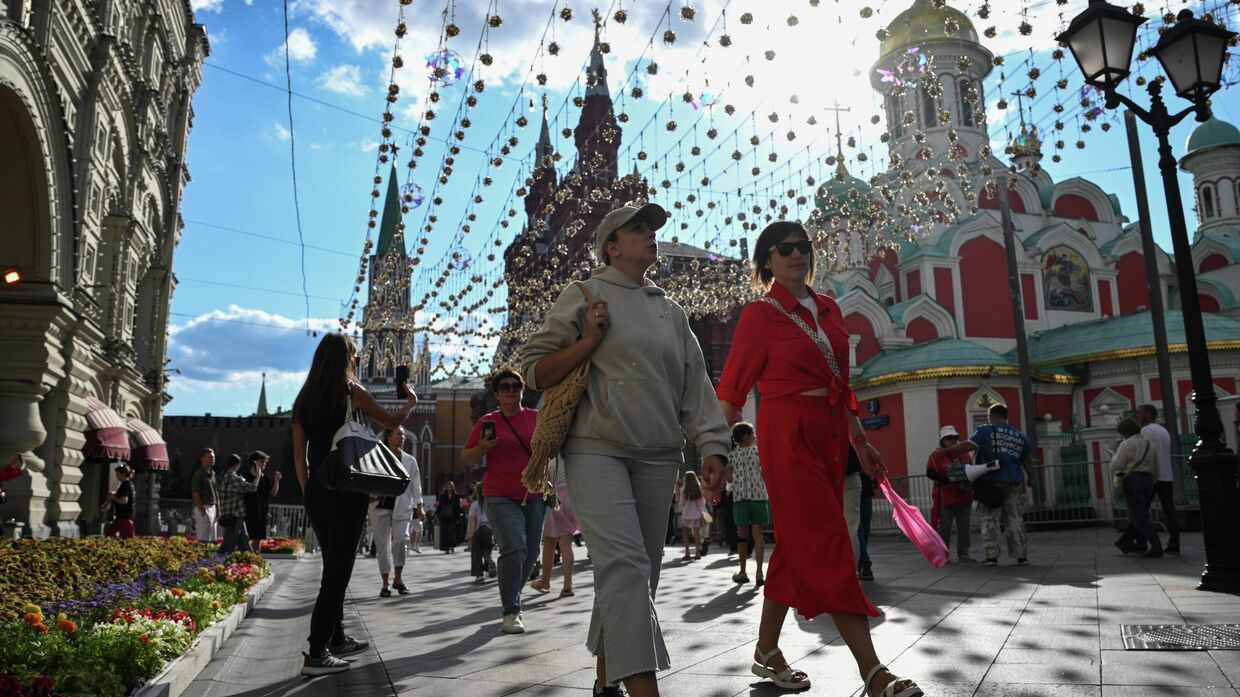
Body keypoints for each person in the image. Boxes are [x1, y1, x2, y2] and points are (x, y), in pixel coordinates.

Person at [520, 203, 731, 697]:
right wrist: (589, 340)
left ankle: (603, 682)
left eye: (651, 229)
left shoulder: (671, 311)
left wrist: (713, 445)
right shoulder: (585, 294)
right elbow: (535, 368)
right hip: (596, 449)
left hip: (659, 454)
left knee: (640, 575)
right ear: (611, 246)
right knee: (627, 568)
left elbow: (695, 385)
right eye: (637, 229)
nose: (649, 235)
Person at [715, 220, 920, 697]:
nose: (796, 255)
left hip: (830, 438)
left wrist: (860, 442)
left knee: (793, 546)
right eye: (783, 249)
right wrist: (714, 451)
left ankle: (766, 650)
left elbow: (842, 387)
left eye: (803, 247)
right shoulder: (759, 315)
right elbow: (731, 396)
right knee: (829, 543)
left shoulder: (828, 308)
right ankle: (873, 672)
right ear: (766, 260)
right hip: (789, 438)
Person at [291, 332, 418, 676]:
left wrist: (308, 493)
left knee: (333, 566)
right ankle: (316, 653)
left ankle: (337, 637)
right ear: (346, 359)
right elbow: (392, 423)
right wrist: (410, 403)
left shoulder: (303, 400)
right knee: (336, 573)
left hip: (316, 491)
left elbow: (299, 458)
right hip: (347, 492)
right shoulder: (351, 391)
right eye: (355, 357)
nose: (358, 362)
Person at [461, 369, 546, 634]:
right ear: (497, 394)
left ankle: (511, 593)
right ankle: (511, 610)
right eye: (505, 386)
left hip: (533, 495)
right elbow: (466, 458)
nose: (511, 390)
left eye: (516, 385)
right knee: (515, 548)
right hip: (499, 495)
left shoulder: (537, 418)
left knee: (531, 555)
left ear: (522, 390)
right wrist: (481, 449)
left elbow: (553, 445)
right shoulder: (489, 421)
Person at [937, 403, 1032, 567]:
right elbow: (1026, 460)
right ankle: (1021, 556)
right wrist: (1031, 477)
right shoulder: (1020, 436)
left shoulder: (986, 430)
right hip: (1013, 482)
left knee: (989, 518)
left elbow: (967, 446)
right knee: (1015, 519)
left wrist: (947, 452)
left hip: (990, 483)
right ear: (1006, 416)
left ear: (993, 416)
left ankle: (992, 557)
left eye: (990, 417)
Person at [369, 427, 424, 597]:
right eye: (399, 434)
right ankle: (385, 584)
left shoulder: (410, 460)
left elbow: (416, 483)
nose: (403, 437)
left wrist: (420, 505)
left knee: (401, 540)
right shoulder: (377, 457)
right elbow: (368, 477)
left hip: (403, 505)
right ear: (389, 438)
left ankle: (398, 579)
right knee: (382, 545)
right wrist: (370, 493)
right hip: (380, 506)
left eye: (404, 434)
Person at [1111, 417, 1162, 557]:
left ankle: (1156, 547)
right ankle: (1125, 542)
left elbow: (1118, 465)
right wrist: (1154, 481)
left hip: (1133, 480)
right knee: (1140, 514)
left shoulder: (1126, 444)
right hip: (1148, 479)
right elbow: (1155, 464)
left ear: (1124, 432)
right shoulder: (1148, 443)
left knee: (1139, 517)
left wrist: (1113, 457)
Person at [530, 457, 580, 597]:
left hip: (555, 499)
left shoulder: (550, 460)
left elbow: (542, 481)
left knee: (549, 543)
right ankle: (568, 585)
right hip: (571, 498)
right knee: (566, 544)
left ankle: (545, 581)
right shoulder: (569, 457)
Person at [727, 422, 768, 587]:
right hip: (758, 497)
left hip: (740, 498)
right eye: (752, 433)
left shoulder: (732, 455)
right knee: (758, 535)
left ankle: (743, 571)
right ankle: (759, 572)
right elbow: (765, 472)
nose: (755, 436)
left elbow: (729, 479)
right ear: (746, 436)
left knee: (742, 536)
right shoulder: (759, 452)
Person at [925, 426, 975, 563]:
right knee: (945, 527)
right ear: (943, 441)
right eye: (949, 438)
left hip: (964, 497)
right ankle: (943, 554)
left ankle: (964, 553)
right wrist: (943, 479)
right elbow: (930, 472)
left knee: (964, 527)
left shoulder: (964, 454)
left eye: (955, 438)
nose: (953, 440)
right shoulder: (936, 456)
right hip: (947, 498)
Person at [1138, 405, 1179, 554]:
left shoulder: (1144, 431)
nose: (1138, 415)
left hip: (1151, 475)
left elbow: (1143, 453)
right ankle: (1175, 542)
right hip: (1166, 475)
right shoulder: (1164, 431)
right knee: (1169, 510)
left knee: (1141, 511)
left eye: (1140, 413)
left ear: (1148, 414)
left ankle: (1142, 541)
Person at [217, 453, 257, 556]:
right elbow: (251, 488)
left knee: (243, 541)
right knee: (229, 543)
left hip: (232, 514)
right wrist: (258, 475)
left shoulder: (225, 475)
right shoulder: (232, 476)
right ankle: (217, 563)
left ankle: (252, 562)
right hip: (234, 514)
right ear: (237, 464)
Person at [244, 451, 281, 553]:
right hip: (248, 513)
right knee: (246, 538)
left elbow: (272, 493)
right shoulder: (245, 476)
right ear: (254, 463)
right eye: (262, 462)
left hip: (261, 513)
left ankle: (256, 560)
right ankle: (244, 561)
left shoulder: (266, 478)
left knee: (258, 538)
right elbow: (249, 490)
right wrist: (257, 476)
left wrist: (277, 481)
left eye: (265, 463)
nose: (264, 465)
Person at [466, 484, 496, 584]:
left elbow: (472, 521)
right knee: (487, 549)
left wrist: (469, 533)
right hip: (489, 529)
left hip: (478, 529)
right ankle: (489, 561)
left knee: (476, 552)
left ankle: (479, 575)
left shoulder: (475, 505)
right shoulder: (491, 504)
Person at [190, 448, 218, 543]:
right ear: (202, 459)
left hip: (212, 506)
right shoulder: (198, 474)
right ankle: (201, 556)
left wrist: (218, 508)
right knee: (203, 536)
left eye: (213, 457)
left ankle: (210, 557)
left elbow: (216, 491)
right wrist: (202, 510)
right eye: (209, 457)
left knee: (212, 536)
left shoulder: (213, 473)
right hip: (204, 506)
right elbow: (195, 493)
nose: (212, 459)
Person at [679, 471, 707, 561]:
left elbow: (681, 503)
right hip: (696, 515)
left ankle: (687, 553)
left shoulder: (684, 490)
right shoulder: (699, 489)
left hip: (686, 514)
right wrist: (700, 511)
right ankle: (697, 553)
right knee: (697, 534)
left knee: (685, 533)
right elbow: (702, 503)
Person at [105, 465, 136, 539]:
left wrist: (113, 497)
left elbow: (124, 500)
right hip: (120, 517)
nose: (116, 476)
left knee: (127, 540)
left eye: (117, 474)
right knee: (110, 534)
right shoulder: (128, 484)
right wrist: (115, 494)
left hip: (125, 518)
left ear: (123, 474)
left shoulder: (125, 484)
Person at [435, 482, 463, 553]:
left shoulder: (456, 495)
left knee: (452, 531)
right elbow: (440, 506)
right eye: (448, 486)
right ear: (446, 487)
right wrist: (437, 515)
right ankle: (446, 548)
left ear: (453, 487)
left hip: (453, 516)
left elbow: (458, 506)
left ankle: (452, 546)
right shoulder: (442, 495)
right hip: (444, 516)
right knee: (444, 532)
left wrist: (459, 515)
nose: (449, 488)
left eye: (450, 486)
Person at [857, 468, 874, 581]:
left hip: (865, 492)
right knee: (860, 532)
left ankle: (861, 562)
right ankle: (865, 564)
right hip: (860, 492)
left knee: (863, 532)